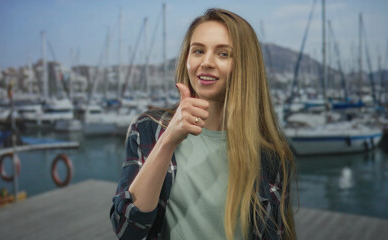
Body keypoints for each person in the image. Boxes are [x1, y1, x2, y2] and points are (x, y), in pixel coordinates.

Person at [110, 8, 296, 240]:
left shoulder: (271, 154)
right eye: (198, 50)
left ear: (245, 67)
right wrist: (168, 139)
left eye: (223, 54)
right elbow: (127, 230)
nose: (206, 62)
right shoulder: (148, 129)